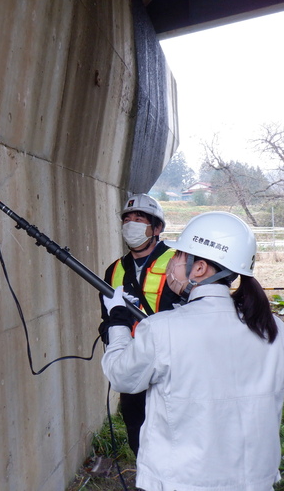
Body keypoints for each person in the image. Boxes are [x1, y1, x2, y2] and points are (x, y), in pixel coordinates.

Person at [100, 211, 284, 491]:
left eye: (178, 256)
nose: (171, 263)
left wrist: (117, 324)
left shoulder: (163, 329)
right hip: (254, 481)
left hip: (181, 482)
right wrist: (257, 384)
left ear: (199, 269)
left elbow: (122, 377)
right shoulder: (268, 326)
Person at [98, 193, 180, 456]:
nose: (131, 224)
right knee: (137, 426)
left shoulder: (179, 262)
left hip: (172, 364)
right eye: (127, 219)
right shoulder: (114, 270)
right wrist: (112, 334)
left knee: (173, 429)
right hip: (133, 361)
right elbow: (107, 319)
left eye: (139, 218)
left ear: (157, 228)